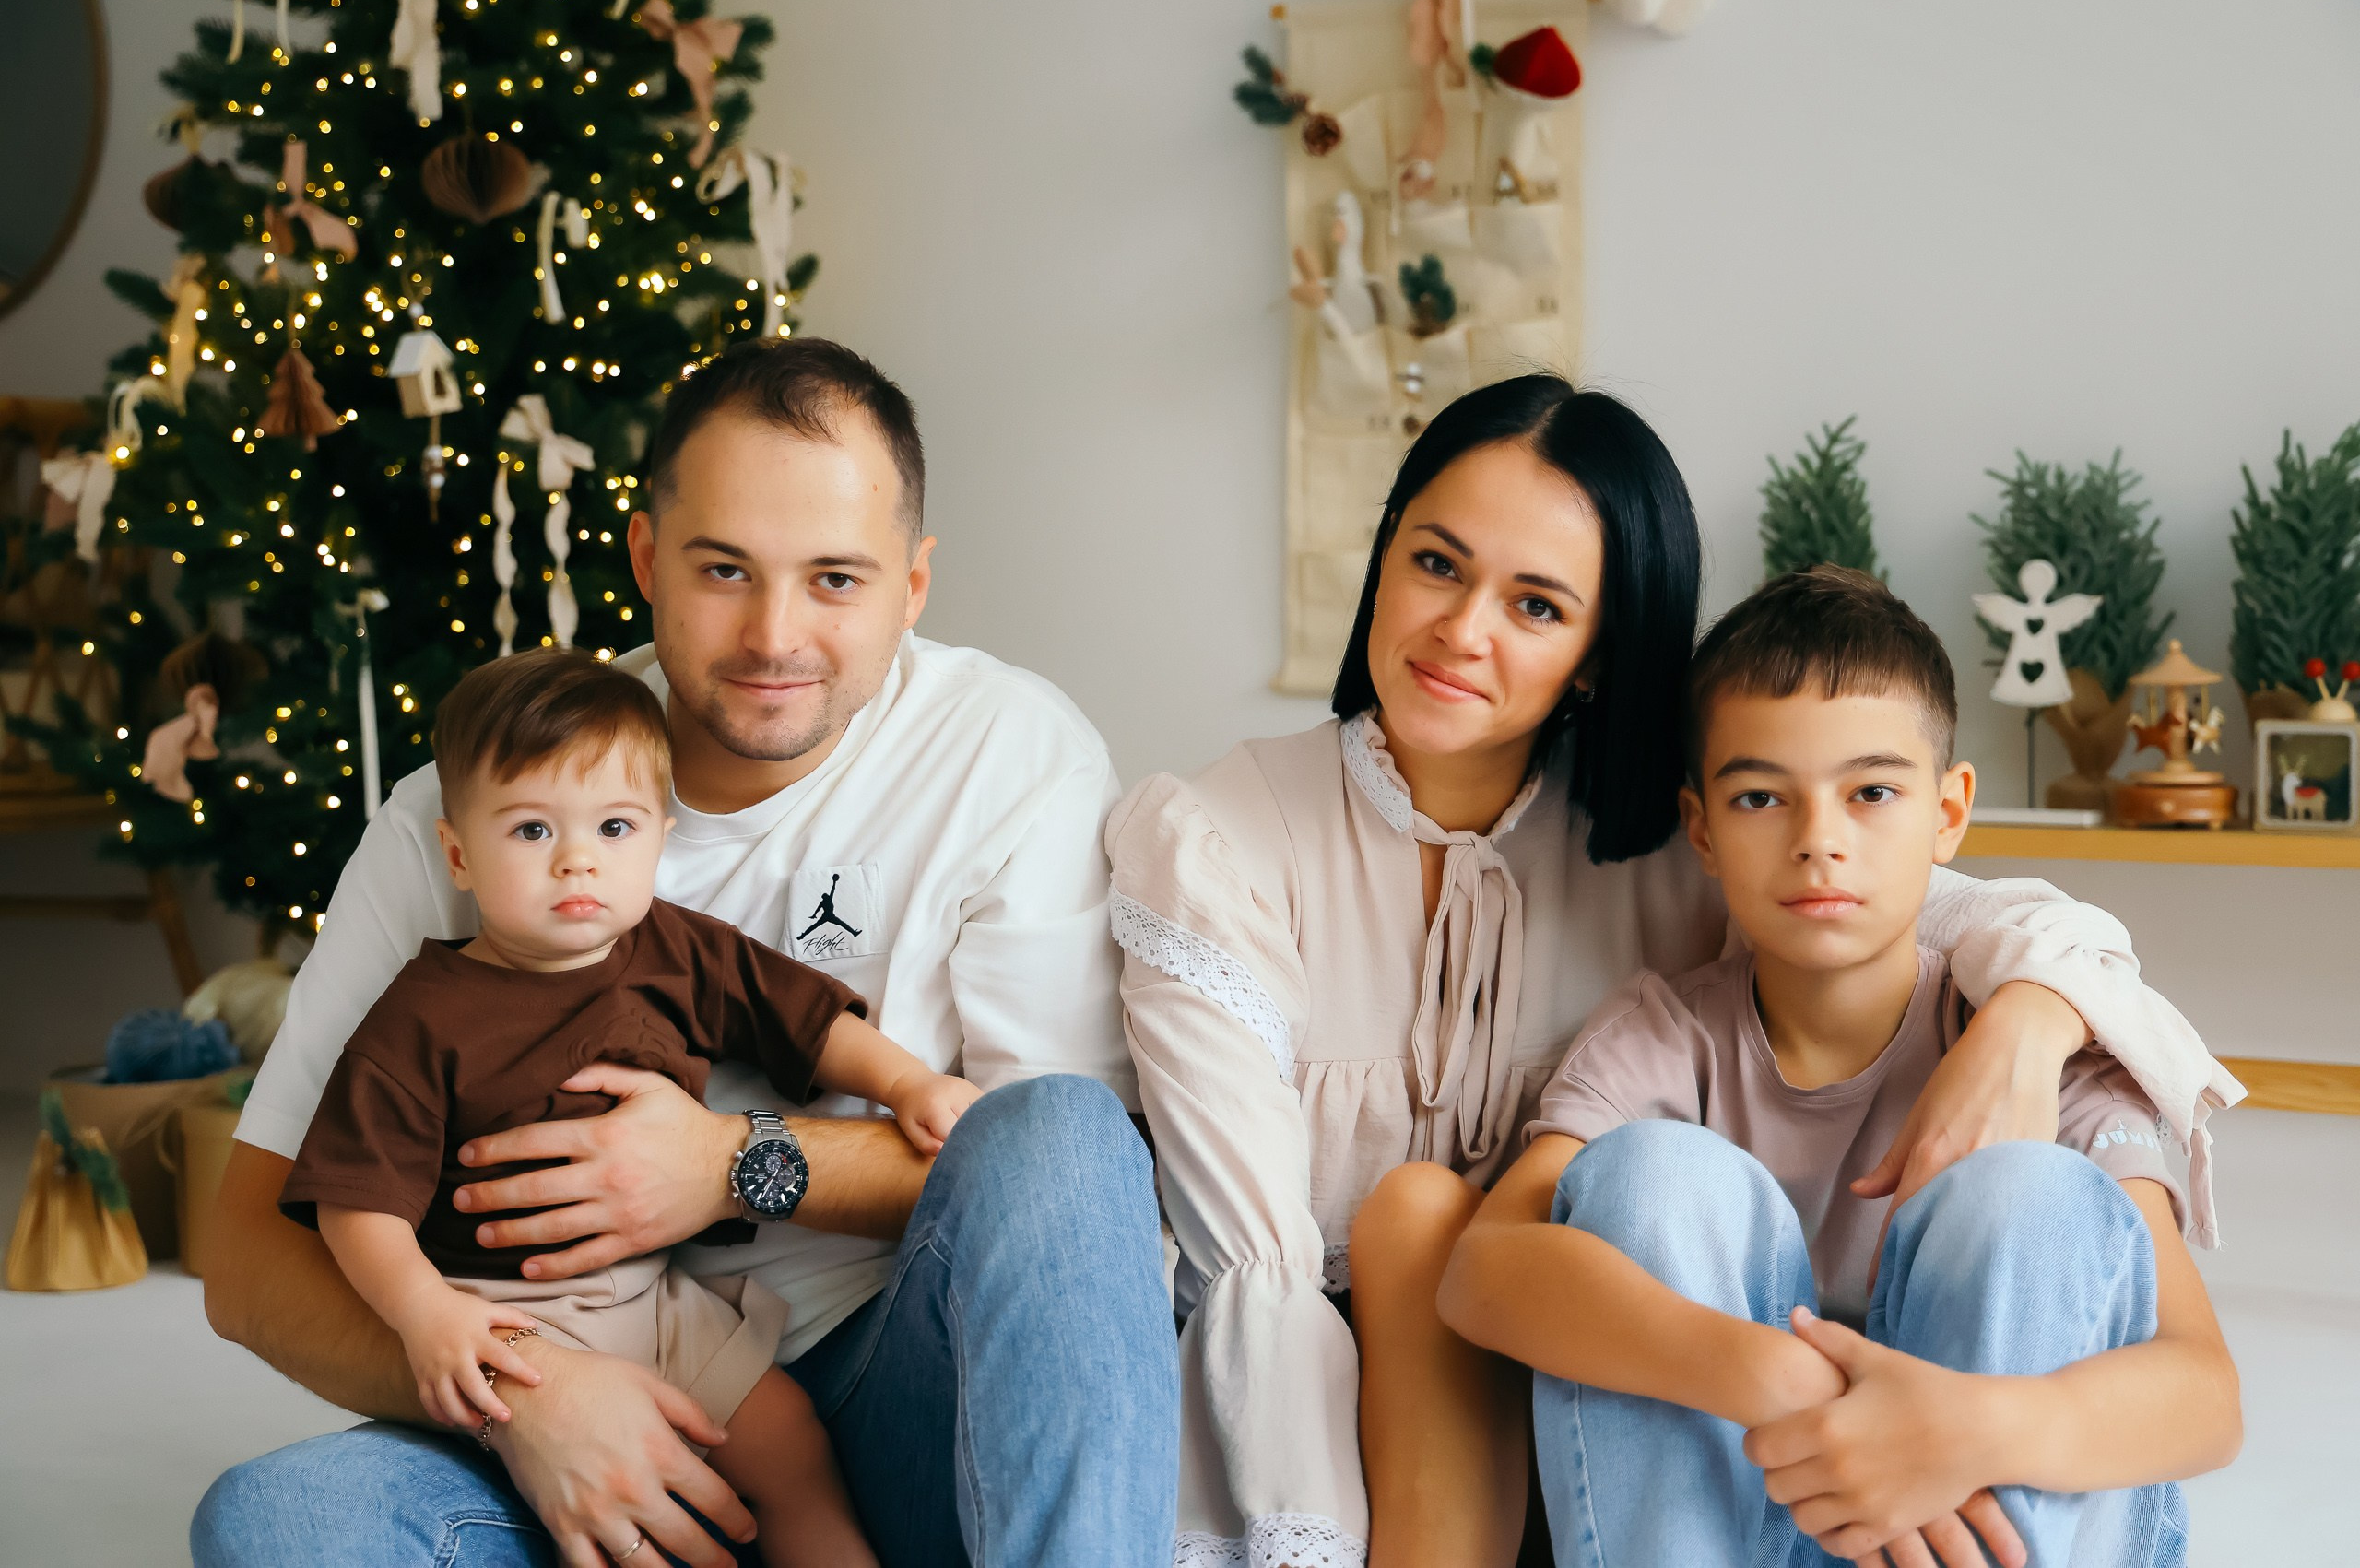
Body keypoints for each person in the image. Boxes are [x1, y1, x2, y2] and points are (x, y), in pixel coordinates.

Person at [1103, 378, 2240, 1566]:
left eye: (1535, 603)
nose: (1464, 631)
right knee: (1462, 1207)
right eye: (1437, 564)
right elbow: (1279, 1267)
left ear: (1599, 651)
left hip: (1712, 1417)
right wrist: (1785, 1377)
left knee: (2029, 1194)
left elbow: (1946, 916)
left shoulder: (1672, 849)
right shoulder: (1220, 843)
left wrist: (2031, 1020)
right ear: (1384, 554)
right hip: (1500, 1386)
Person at [192, 339, 1179, 1568]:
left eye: (835, 578)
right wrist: (528, 1401)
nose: (774, 635)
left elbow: (1062, 1186)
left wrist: (734, 1163)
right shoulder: (469, 813)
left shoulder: (1006, 755)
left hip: (901, 1382)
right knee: (275, 1524)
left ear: (913, 585)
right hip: (566, 1385)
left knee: (1066, 1128)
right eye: (723, 569)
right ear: (647, 558)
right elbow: (245, 1262)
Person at [1437, 566, 2240, 1566]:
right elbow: (1481, 1271)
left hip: (1989, 1513)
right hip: (1742, 1512)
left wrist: (1962, 1430)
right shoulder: (1662, 1039)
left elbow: (2208, 1396)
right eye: (1761, 796)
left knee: (2030, 1192)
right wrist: (1779, 1378)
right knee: (1654, 1173)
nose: (1819, 840)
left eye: (1871, 792)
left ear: (1948, 811)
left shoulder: (2039, 1053)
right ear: (1702, 828)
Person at [289, 649, 991, 1567]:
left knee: (790, 1444)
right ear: (459, 854)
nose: (577, 858)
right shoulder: (420, 1017)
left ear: (661, 835)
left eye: (614, 826)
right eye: (531, 830)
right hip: (505, 1318)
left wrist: (906, 1084)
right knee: (615, 1533)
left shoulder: (676, 952)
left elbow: (809, 1023)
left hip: (657, 1303)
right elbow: (356, 1202)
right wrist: (425, 1313)